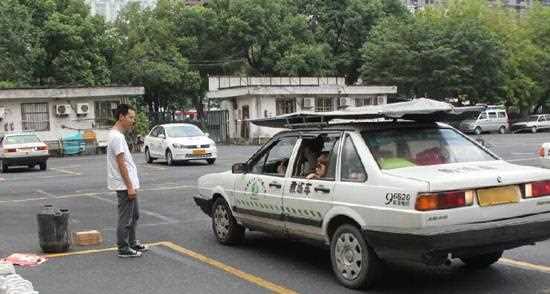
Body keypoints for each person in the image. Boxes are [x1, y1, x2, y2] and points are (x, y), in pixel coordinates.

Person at [107, 104, 147, 258]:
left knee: (134, 214)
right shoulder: (116, 137)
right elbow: (121, 163)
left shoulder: (118, 135)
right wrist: (129, 187)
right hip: (124, 185)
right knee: (126, 217)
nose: (133, 121)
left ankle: (132, 242)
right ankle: (123, 248)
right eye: (130, 117)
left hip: (128, 183)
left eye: (133, 118)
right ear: (121, 117)